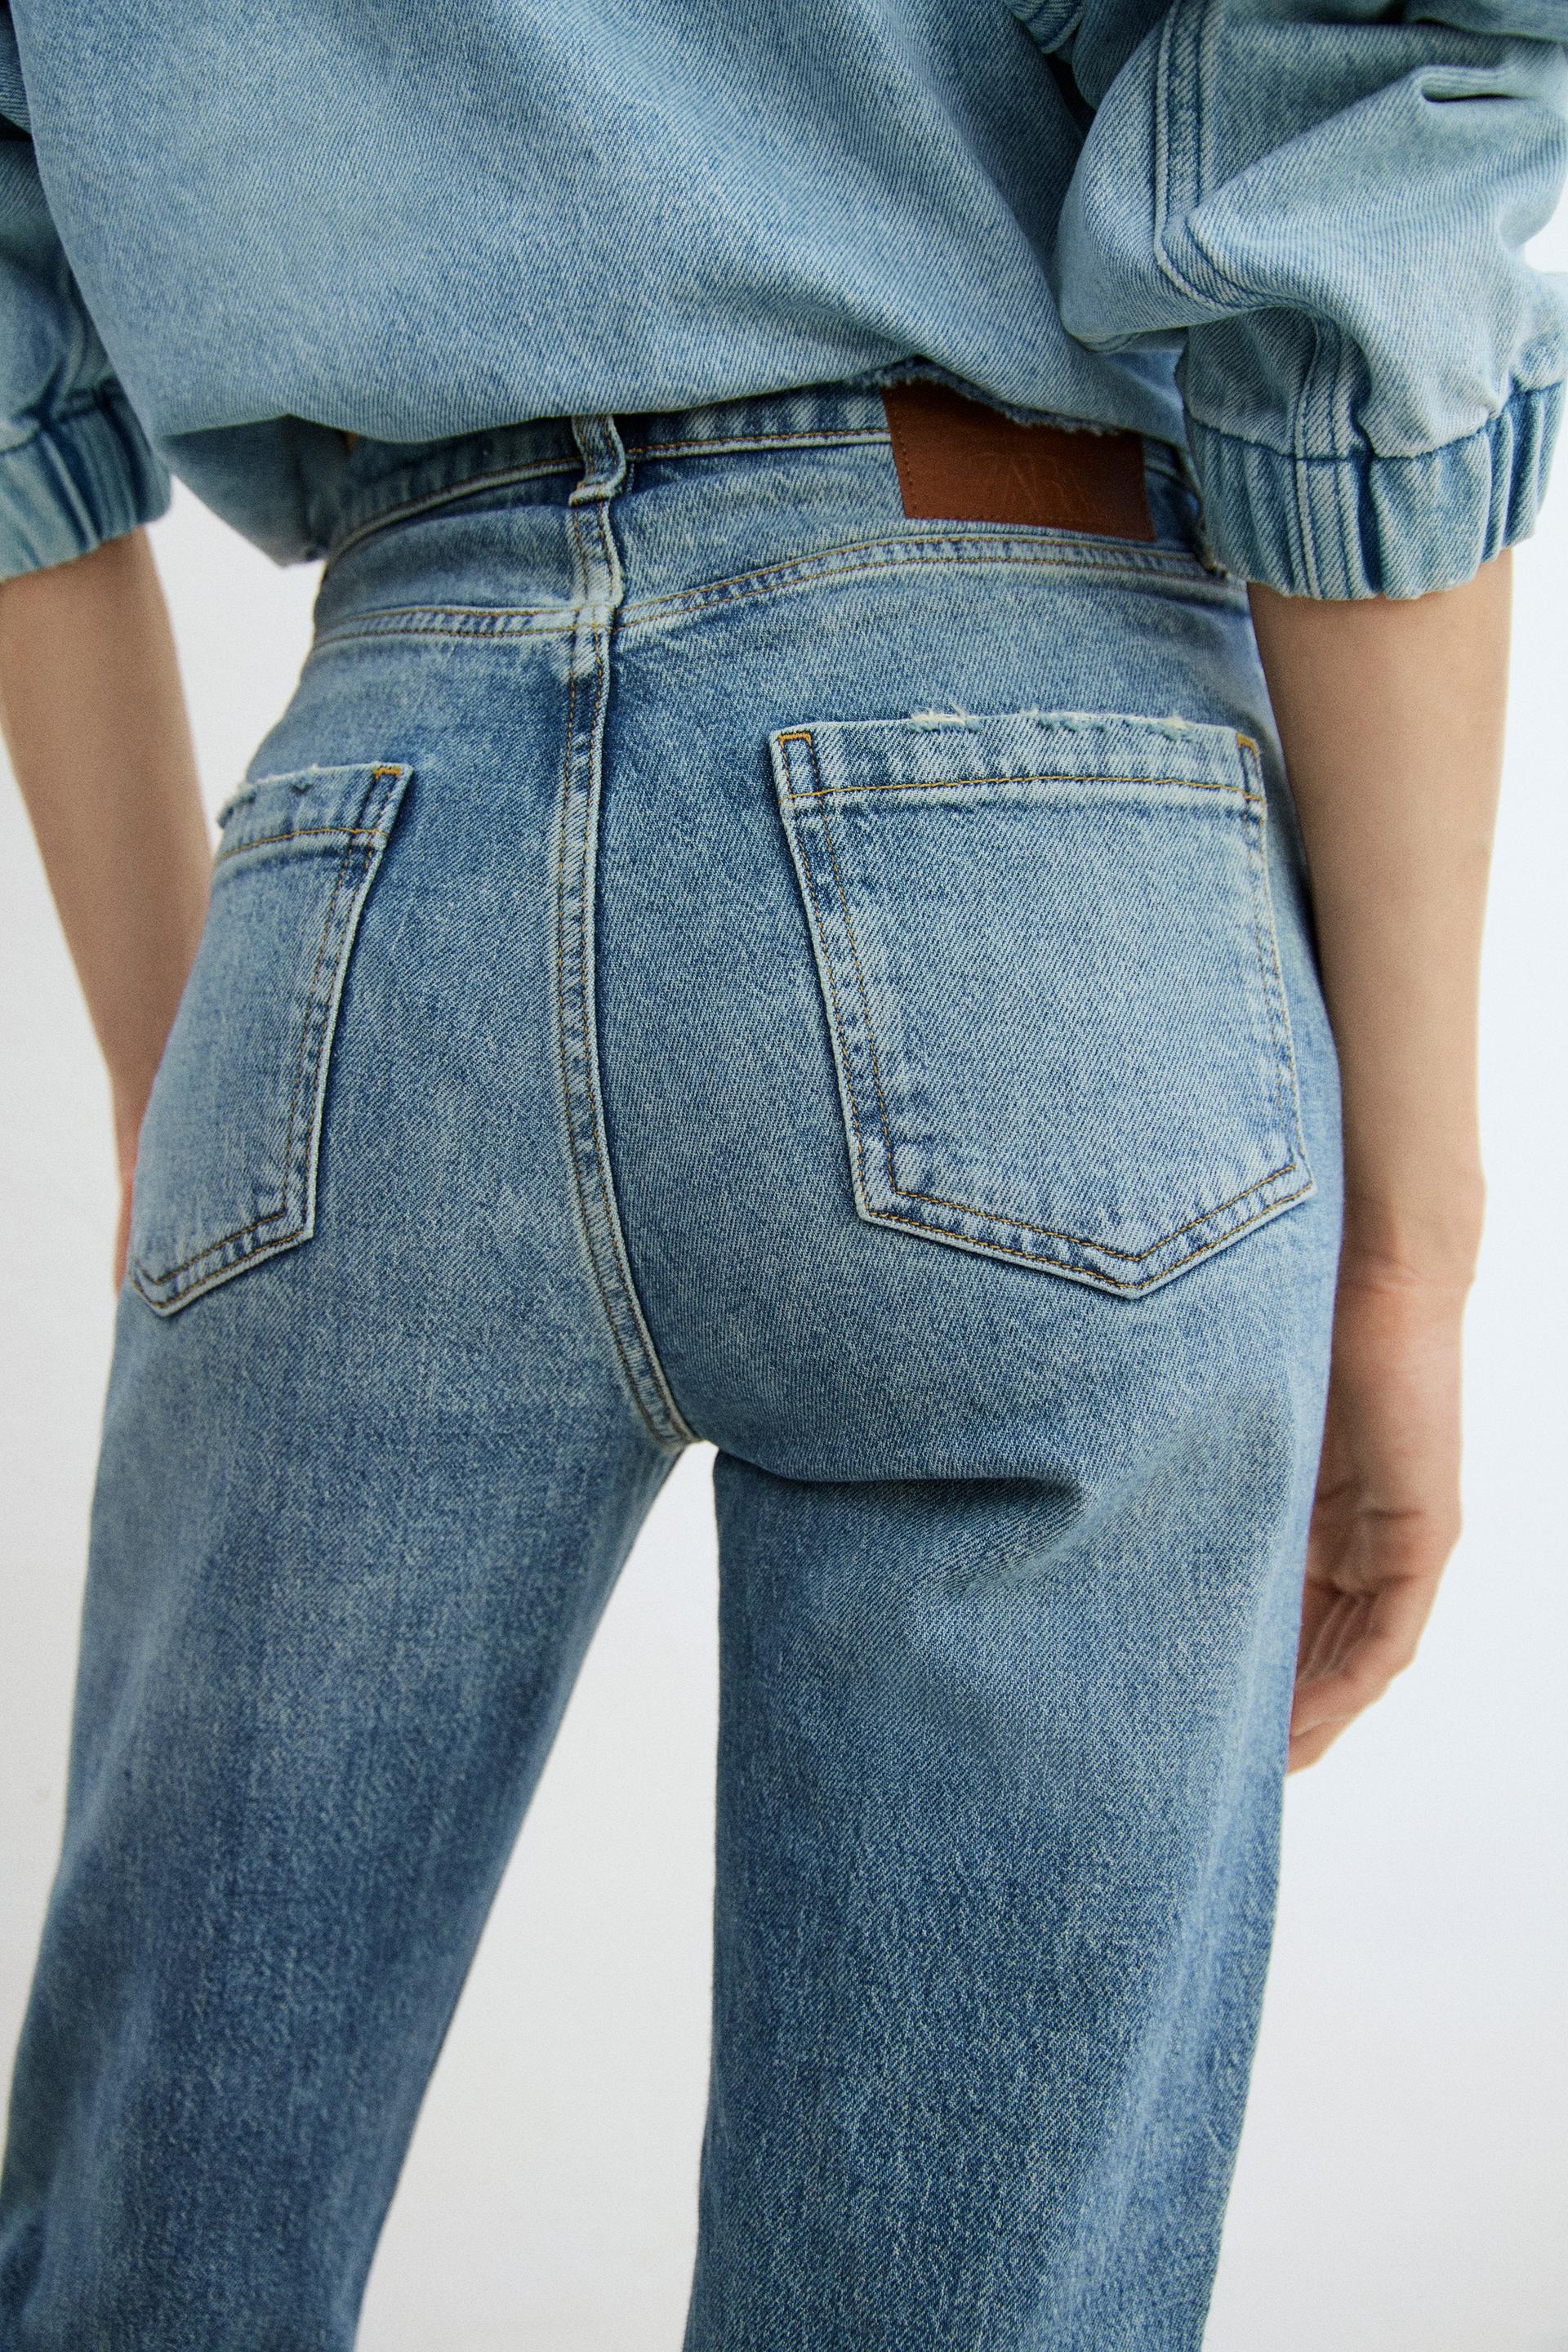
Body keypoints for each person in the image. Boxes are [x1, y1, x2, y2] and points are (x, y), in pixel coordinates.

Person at [0, 2, 1560, 2345]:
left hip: (368, 836)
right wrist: (1412, 1251)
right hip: (1024, 776)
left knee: (148, 2257)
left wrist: (188, 1072)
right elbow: (1356, 114)